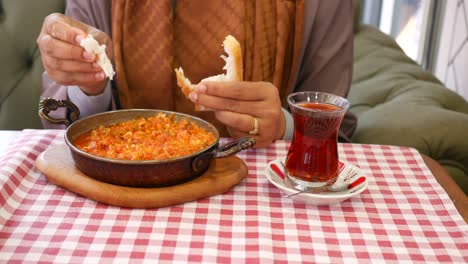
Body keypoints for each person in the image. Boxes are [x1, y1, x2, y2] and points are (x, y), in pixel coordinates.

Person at [37, 0, 357, 148]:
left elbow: (333, 131)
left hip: (261, 206)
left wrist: (284, 126)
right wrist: (87, 83)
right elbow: (58, 119)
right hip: (122, 196)